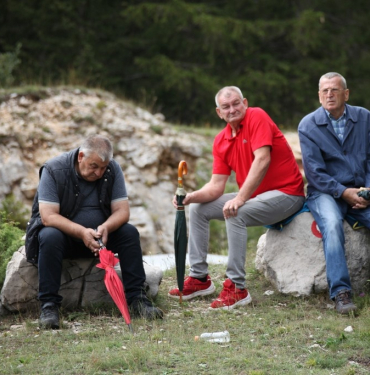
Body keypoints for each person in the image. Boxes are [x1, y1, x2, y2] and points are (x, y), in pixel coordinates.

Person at [168, 86, 305, 310]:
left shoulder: (257, 116)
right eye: (226, 107)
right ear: (218, 112)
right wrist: (190, 197)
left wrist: (240, 198)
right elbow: (215, 186)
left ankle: (237, 288)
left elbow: (262, 159)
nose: (232, 110)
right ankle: (200, 278)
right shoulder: (221, 140)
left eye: (235, 104)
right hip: (257, 196)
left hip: (287, 193)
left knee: (235, 211)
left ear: (245, 103)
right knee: (198, 209)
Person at [25, 135, 163, 329]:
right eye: (94, 166)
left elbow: (122, 211)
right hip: (66, 239)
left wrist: (106, 227)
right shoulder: (54, 170)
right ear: (81, 156)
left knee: (129, 233)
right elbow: (48, 216)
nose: (99, 173)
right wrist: (82, 232)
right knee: (48, 235)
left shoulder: (113, 169)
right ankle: (49, 307)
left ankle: (138, 300)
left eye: (103, 167)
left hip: (101, 238)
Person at [298, 72, 370, 314]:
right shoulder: (308, 125)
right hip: (325, 193)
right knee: (332, 224)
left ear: (346, 94)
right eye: (325, 91)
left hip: (362, 189)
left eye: (334, 90)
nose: (329, 94)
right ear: (318, 95)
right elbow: (314, 173)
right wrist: (343, 192)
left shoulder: (364, 118)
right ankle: (341, 294)